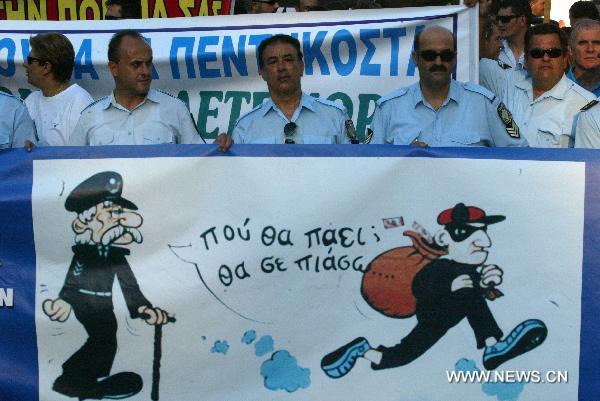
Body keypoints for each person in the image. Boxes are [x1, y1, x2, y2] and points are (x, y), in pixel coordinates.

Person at [321, 203, 547, 378]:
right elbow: (420, 287)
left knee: (405, 354)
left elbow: (478, 294)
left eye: (483, 232)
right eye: (466, 232)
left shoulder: (470, 270)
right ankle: (492, 346)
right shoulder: (441, 266)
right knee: (467, 293)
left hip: (446, 318)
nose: (484, 242)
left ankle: (363, 350)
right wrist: (451, 286)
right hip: (434, 314)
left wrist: (487, 284)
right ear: (444, 238)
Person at [43, 171, 171, 400]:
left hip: (104, 304)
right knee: (103, 337)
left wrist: (143, 308)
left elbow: (129, 286)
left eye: (119, 212)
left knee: (106, 338)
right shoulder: (84, 253)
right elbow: (74, 278)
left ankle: (84, 381)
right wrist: (64, 300)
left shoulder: (116, 255)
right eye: (111, 212)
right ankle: (71, 379)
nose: (119, 219)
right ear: (90, 219)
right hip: (84, 302)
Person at [369, 26, 526, 147]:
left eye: (446, 55)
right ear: (416, 59)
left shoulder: (485, 104)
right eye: (430, 55)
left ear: (454, 59)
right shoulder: (388, 108)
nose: (438, 62)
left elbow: (521, 155)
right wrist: (400, 159)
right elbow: (369, 167)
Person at [70, 30, 202, 146]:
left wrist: (217, 150)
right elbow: (69, 167)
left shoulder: (176, 110)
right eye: (136, 64)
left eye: (148, 63)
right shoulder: (89, 117)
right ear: (114, 68)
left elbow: (200, 162)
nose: (145, 71)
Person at [222, 34, 354, 145]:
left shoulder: (335, 116)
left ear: (301, 66)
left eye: (288, 59)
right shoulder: (245, 126)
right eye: (273, 62)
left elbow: (354, 165)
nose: (281, 67)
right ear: (262, 72)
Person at [480, 23, 596, 147]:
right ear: (525, 60)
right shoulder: (506, 82)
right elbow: (474, 49)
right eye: (537, 53)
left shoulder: (586, 105)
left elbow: (588, 163)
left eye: (553, 53)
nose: (546, 58)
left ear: (564, 59)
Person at [24, 33, 93, 146]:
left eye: (30, 60)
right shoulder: (31, 101)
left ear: (46, 67)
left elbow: (82, 157)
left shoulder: (80, 102)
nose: (25, 64)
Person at [496, 0, 531, 71]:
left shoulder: (539, 49)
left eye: (505, 19)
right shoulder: (494, 49)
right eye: (498, 19)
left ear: (522, 20)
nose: (499, 24)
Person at [567, 19, 600, 96]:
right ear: (570, 50)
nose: (590, 49)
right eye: (583, 43)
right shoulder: (554, 86)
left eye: (597, 43)